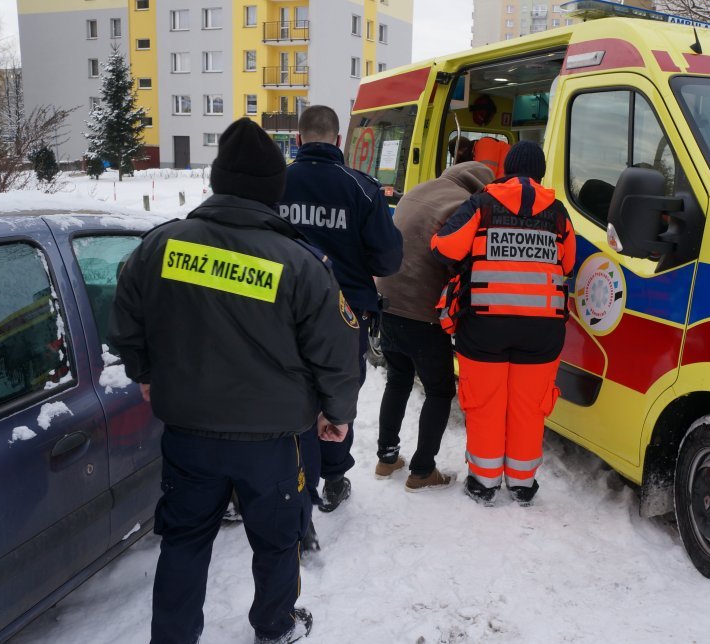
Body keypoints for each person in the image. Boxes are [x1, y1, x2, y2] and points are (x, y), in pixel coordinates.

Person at [109, 118, 360, 644]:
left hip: (189, 435)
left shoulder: (159, 248)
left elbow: (125, 318)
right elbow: (337, 354)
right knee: (276, 540)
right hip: (272, 442)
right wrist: (336, 414)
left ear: (218, 182)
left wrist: (146, 373)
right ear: (275, 190)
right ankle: (275, 626)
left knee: (184, 540)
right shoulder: (301, 263)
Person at [431, 141, 576, 507]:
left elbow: (444, 248)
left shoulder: (482, 204)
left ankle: (484, 482)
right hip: (542, 330)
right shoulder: (558, 213)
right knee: (529, 407)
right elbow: (569, 262)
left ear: (505, 169)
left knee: (485, 403)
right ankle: (522, 484)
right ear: (540, 172)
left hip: (485, 326)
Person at [278, 105, 403, 521]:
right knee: (336, 394)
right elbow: (388, 260)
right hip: (345, 315)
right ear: (337, 142)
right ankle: (333, 478)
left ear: (298, 140)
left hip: (281, 311)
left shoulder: (274, 185)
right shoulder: (363, 189)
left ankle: (291, 473)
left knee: (288, 389)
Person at [374, 161, 495, 490]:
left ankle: (386, 459)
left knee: (398, 380)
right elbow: (460, 260)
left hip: (387, 302)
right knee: (440, 391)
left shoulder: (419, 190)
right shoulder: (461, 204)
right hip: (421, 312)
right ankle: (423, 470)